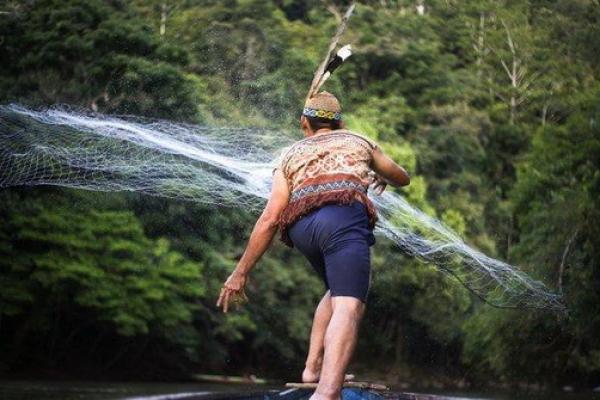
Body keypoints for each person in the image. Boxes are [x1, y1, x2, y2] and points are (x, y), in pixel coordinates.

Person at [217, 91, 410, 400]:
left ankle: (312, 369)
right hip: (342, 218)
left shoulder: (289, 155)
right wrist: (379, 173)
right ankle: (326, 394)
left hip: (301, 229)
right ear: (339, 123)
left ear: (304, 122)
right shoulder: (359, 141)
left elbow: (270, 218)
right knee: (349, 304)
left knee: (337, 291)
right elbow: (402, 177)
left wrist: (241, 272)